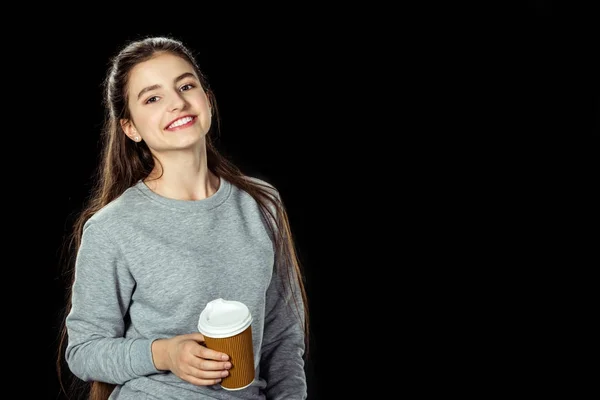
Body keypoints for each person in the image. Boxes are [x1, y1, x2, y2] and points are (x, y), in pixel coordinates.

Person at [55, 35, 309, 400]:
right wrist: (165, 353)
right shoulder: (113, 227)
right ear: (131, 128)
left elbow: (283, 338)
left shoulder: (262, 203)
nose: (177, 103)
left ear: (206, 98)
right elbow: (83, 351)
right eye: (153, 98)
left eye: (186, 86)